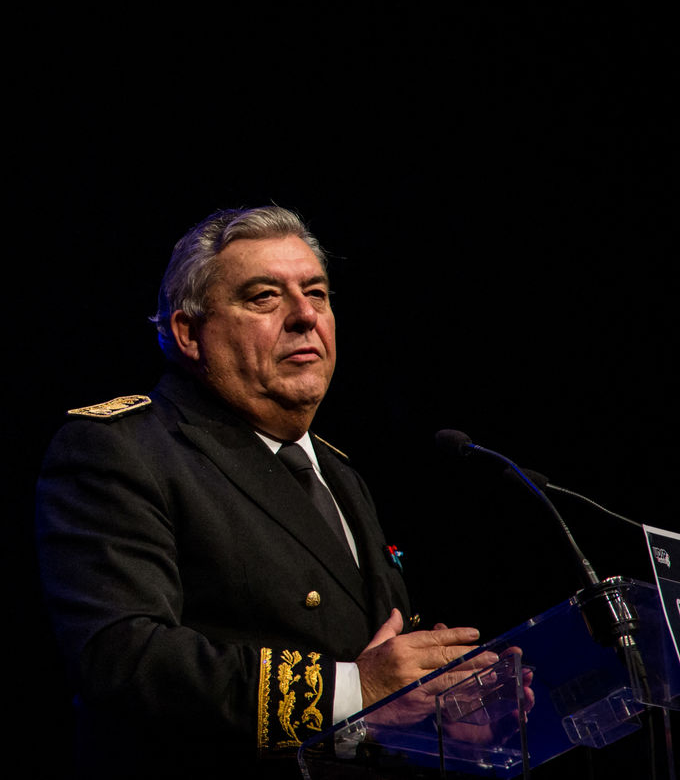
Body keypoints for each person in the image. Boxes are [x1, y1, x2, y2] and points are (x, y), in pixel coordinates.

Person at [34, 206, 484, 777]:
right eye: (264, 297)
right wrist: (357, 689)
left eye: (316, 293)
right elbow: (123, 659)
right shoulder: (123, 449)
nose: (305, 316)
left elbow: (368, 671)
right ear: (189, 333)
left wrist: (443, 705)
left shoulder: (340, 473)